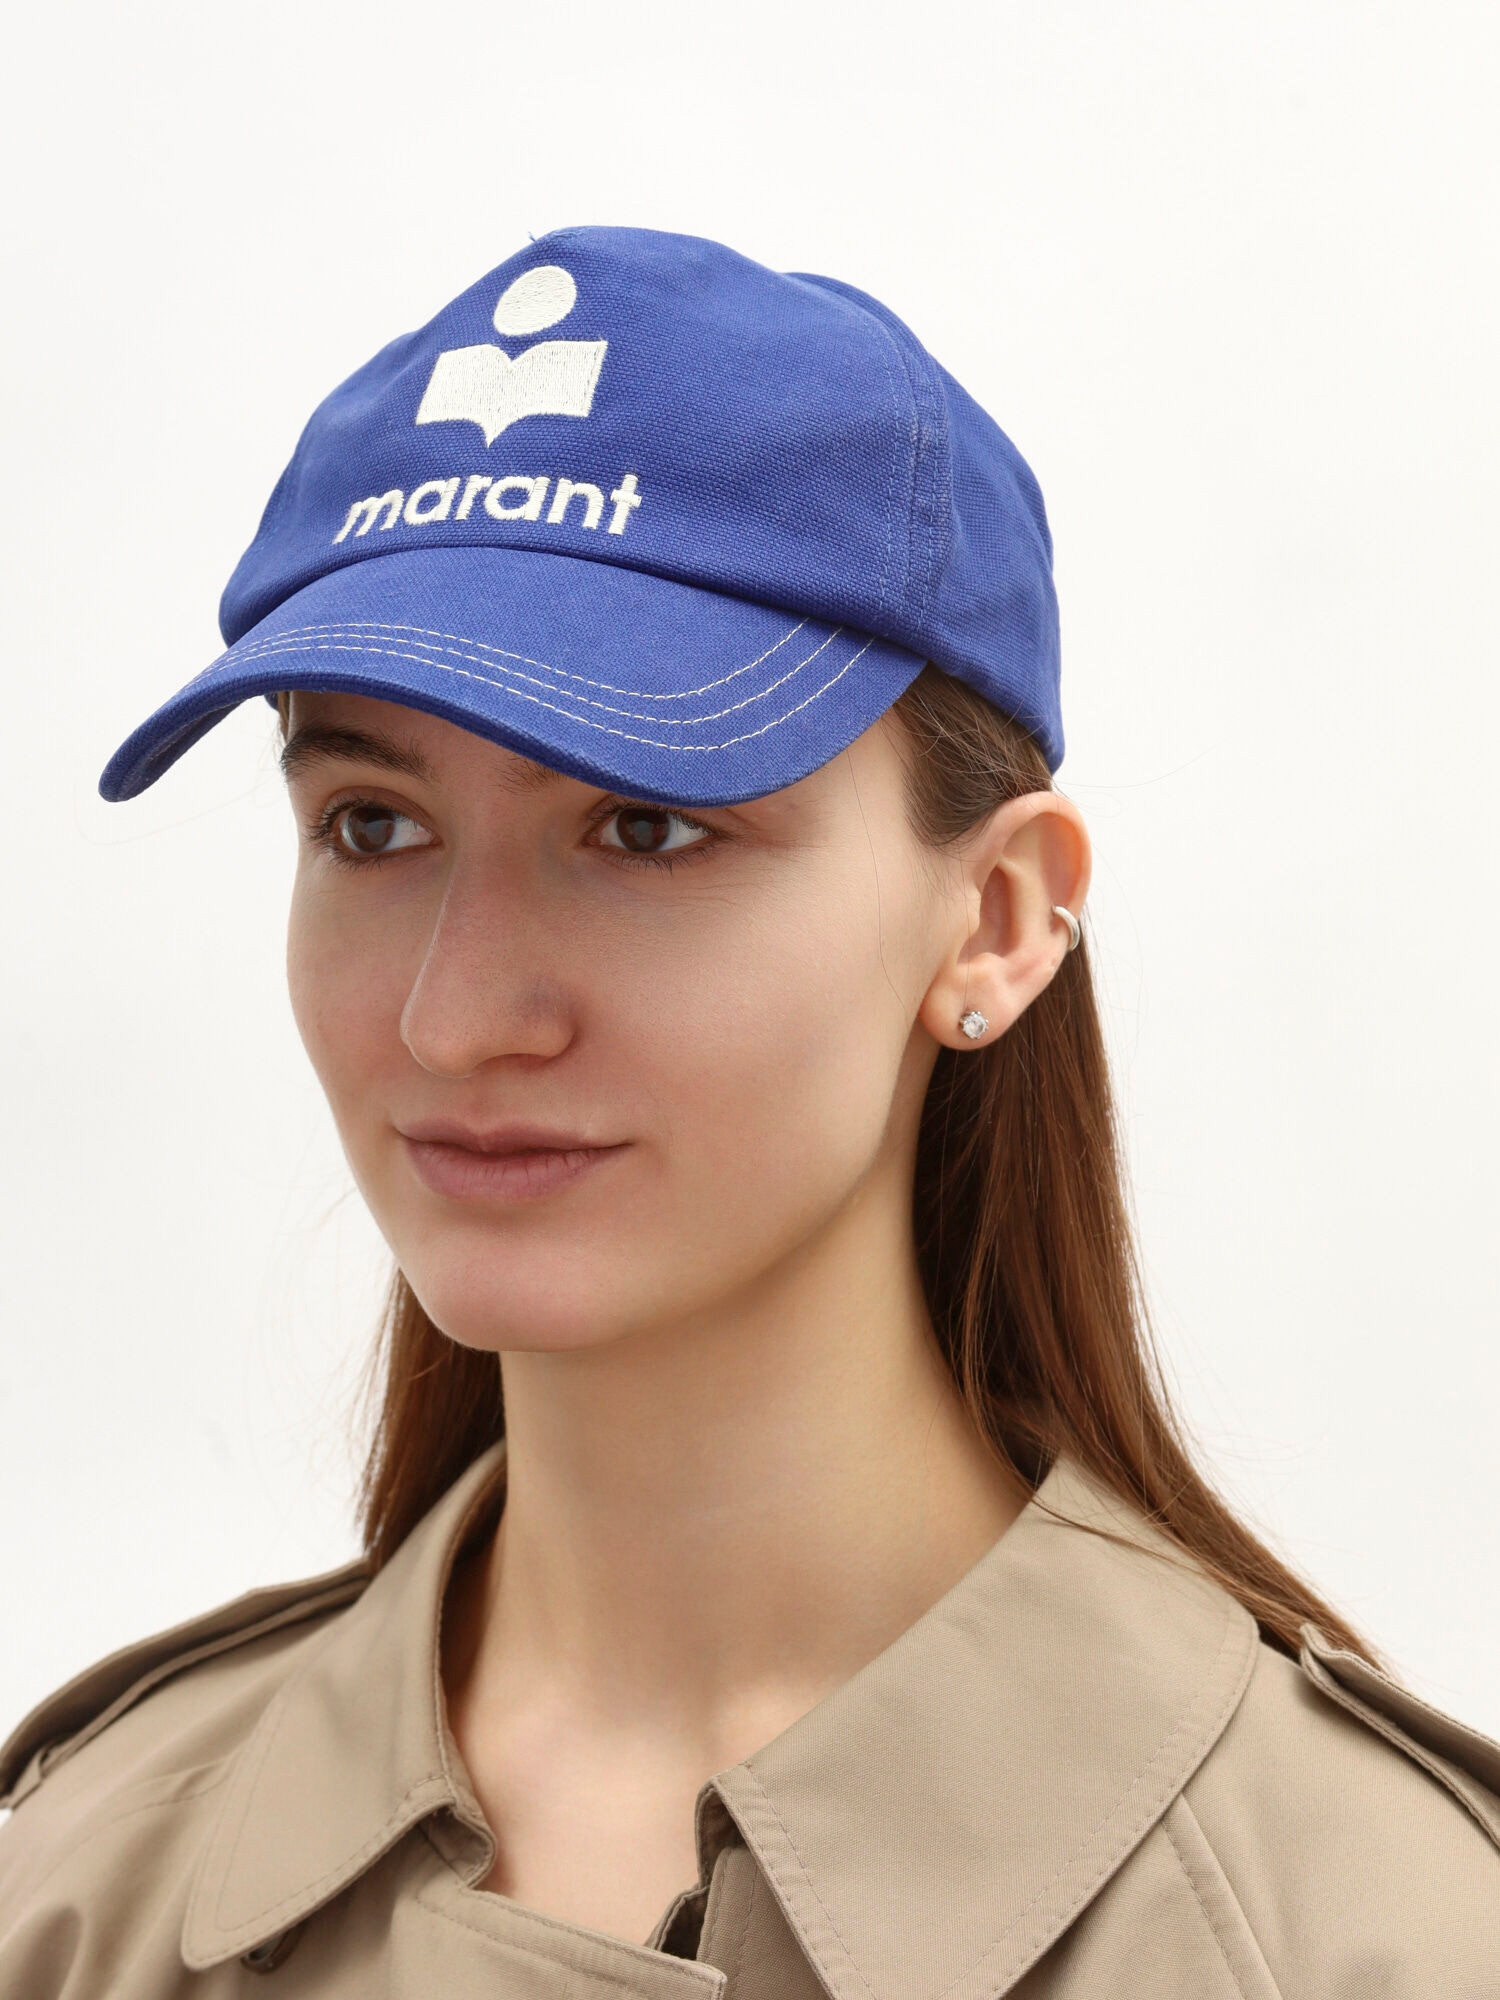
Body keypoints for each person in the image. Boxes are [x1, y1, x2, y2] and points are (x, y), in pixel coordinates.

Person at [1, 226, 1495, 1998]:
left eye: (645, 826)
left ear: (998, 919)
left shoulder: (1376, 1938)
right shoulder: (77, 1891)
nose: (452, 1017)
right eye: (372, 826)